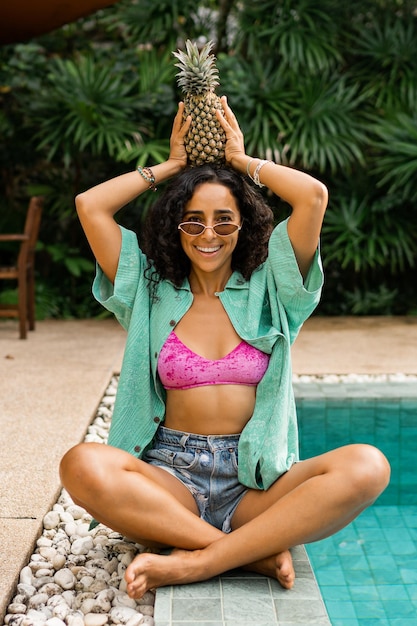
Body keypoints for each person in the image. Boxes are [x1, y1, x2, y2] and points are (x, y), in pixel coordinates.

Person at [60, 96, 390, 599]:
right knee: (81, 464)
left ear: (244, 225)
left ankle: (197, 560)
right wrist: (170, 167)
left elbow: (313, 197)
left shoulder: (273, 287)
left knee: (368, 465)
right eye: (193, 220)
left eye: (224, 220)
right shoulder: (149, 288)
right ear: (176, 226)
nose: (208, 234)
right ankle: (249, 553)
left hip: (254, 480)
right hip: (169, 480)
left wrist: (241, 162)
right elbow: (90, 205)